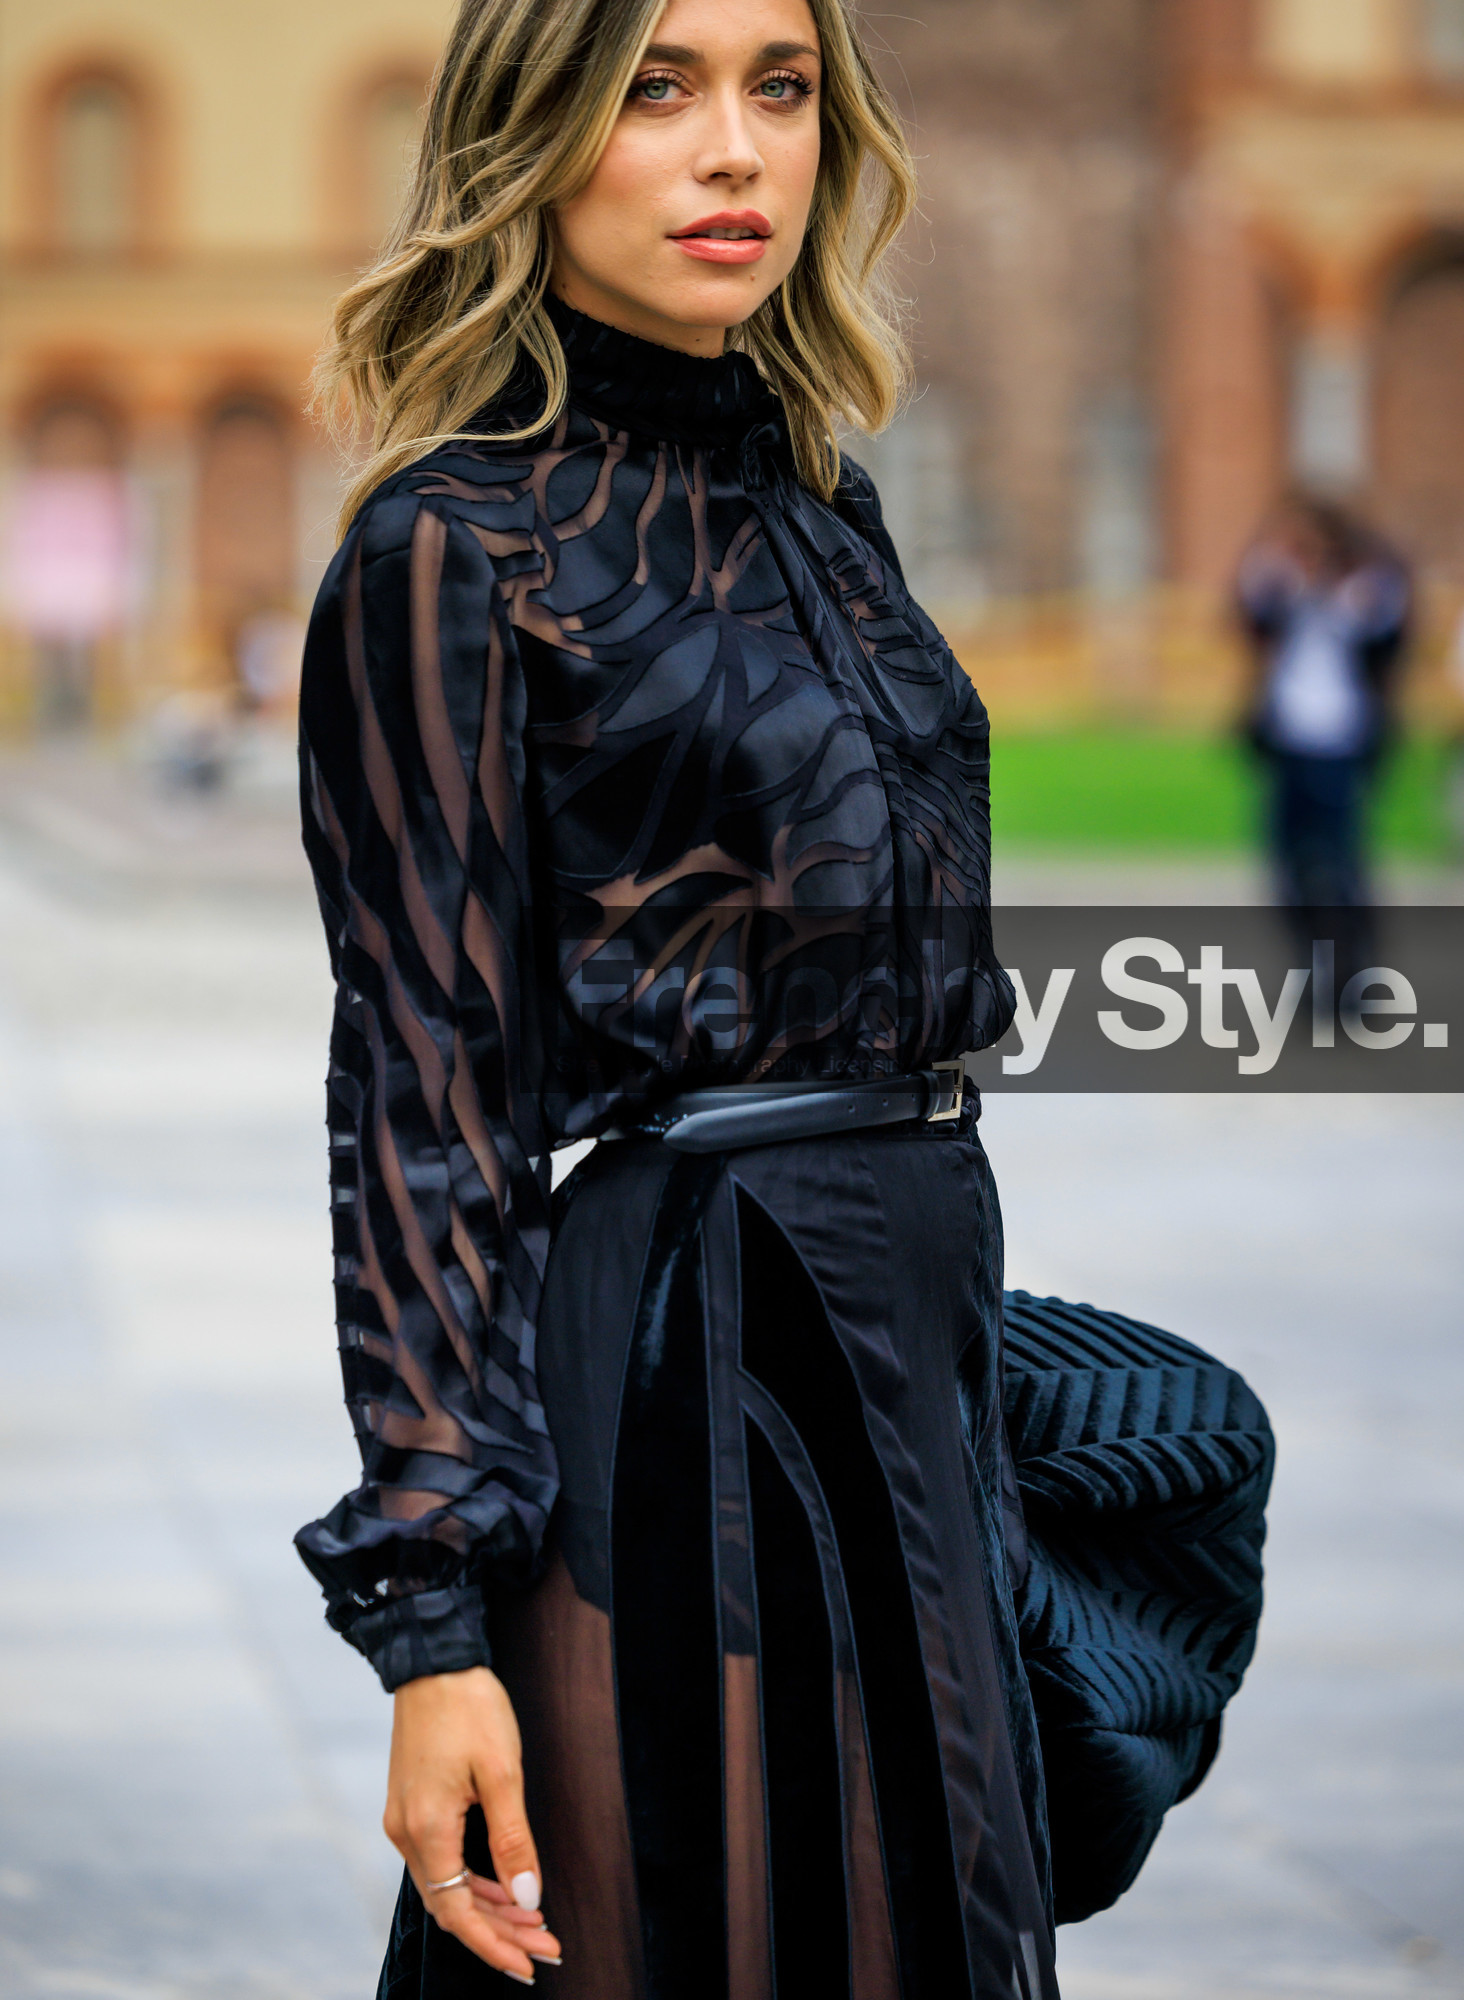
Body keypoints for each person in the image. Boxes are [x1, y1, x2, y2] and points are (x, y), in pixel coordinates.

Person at [292, 2, 1265, 1993]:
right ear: (531, 136)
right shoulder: (453, 547)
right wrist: (429, 1631)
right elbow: (420, 1091)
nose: (731, 148)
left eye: (778, 85)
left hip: (899, 1310)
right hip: (681, 1368)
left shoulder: (826, 508)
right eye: (655, 87)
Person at [1237, 493, 1411, 910]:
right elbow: (1247, 606)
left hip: (1340, 739)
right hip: (1288, 737)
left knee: (1338, 859)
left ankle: (1348, 958)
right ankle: (1310, 951)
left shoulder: (1360, 595)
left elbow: (1387, 631)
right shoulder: (1285, 594)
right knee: (1287, 858)